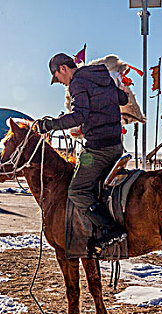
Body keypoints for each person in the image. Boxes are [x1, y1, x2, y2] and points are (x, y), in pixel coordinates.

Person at [36, 53, 129, 253]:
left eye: (57, 77)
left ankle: (110, 229)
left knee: (77, 190)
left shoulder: (77, 83)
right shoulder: (102, 76)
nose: (60, 83)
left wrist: (51, 124)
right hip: (116, 146)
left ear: (62, 68)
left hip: (98, 149)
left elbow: (79, 116)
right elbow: (122, 98)